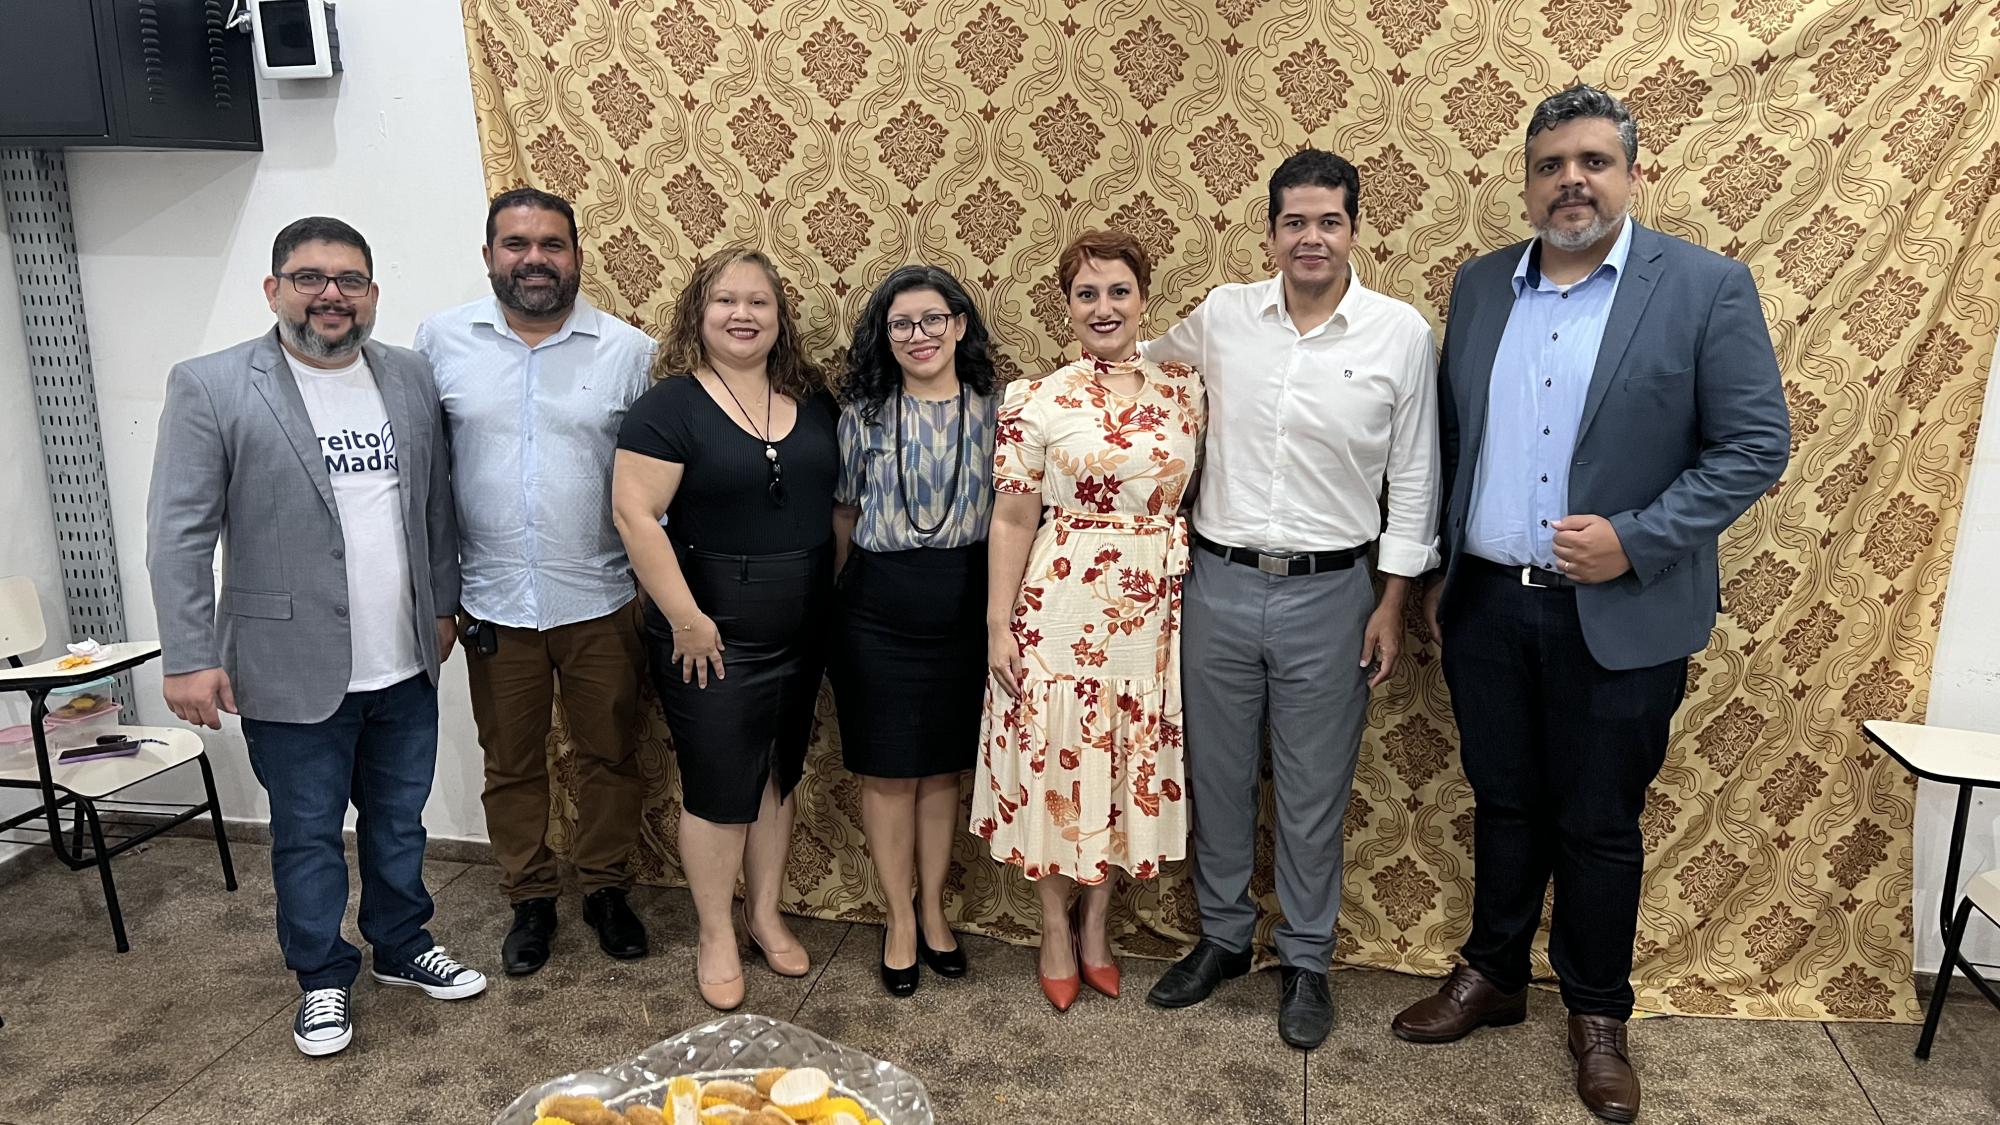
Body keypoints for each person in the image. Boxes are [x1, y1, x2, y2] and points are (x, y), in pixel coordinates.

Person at [1390, 85, 1789, 1124]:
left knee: (1600, 821)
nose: (1570, 179)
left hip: (1620, 614)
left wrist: (1634, 539)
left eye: (1592, 161)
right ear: (1524, 183)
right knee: (1502, 799)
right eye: (1550, 163)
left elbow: (1753, 447)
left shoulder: (1702, 287)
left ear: (1629, 174)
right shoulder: (1479, 288)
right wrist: (1436, 571)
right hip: (1483, 606)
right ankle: (1492, 977)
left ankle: (1597, 1014)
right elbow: (1450, 440)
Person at [147, 217, 487, 1058]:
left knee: (398, 820)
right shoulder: (214, 384)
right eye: (310, 277)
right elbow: (178, 532)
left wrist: (442, 604)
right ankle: (323, 977)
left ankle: (404, 944)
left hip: (404, 656)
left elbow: (437, 501)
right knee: (305, 832)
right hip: (287, 666)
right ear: (274, 290)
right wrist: (189, 654)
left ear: (371, 293)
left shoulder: (407, 376)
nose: (331, 294)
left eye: (350, 279)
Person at [1140, 148, 1440, 1051]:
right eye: (1295, 222)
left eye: (1330, 221)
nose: (1312, 237)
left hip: (1334, 594)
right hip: (1217, 582)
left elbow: (1416, 477)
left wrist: (1391, 601)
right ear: (1269, 233)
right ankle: (1225, 937)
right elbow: (1137, 377)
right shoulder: (1225, 316)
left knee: (1312, 789)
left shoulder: (1399, 333)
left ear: (1354, 230)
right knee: (1219, 777)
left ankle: (1307, 956)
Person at [415, 188, 655, 975]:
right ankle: (528, 897)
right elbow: (425, 479)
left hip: (601, 597)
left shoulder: (628, 351)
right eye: (516, 244)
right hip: (491, 603)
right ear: (489, 256)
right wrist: (438, 595)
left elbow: (653, 482)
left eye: (552, 244)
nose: (535, 259)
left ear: (577, 256)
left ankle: (607, 889)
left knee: (609, 755)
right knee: (510, 761)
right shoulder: (441, 342)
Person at [972, 230, 1204, 1012]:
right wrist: (999, 625)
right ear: (1066, 306)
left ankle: (1098, 926)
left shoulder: (1186, 390)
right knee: (1057, 766)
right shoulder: (1034, 397)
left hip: (1151, 615)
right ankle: (1052, 927)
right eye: (1086, 294)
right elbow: (1010, 519)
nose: (1103, 307)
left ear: (1143, 299)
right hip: (1058, 608)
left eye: (1117, 291)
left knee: (1122, 767)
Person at [610, 247, 838, 1011]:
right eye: (725, 302)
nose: (743, 315)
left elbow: (833, 510)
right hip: (707, 631)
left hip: (800, 628)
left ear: (781, 318)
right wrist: (686, 618)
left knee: (778, 774)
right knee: (718, 788)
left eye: (759, 303)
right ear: (697, 316)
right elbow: (633, 516)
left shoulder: (813, 402)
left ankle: (765, 914)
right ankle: (715, 931)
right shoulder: (668, 407)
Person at [831, 265, 998, 996]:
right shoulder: (863, 414)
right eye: (902, 324)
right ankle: (897, 917)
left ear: (959, 324)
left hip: (966, 603)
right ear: (885, 336)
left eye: (933, 319)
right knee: (889, 772)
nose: (919, 336)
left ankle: (934, 910)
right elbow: (843, 514)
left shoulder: (998, 410)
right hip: (877, 608)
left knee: (941, 772)